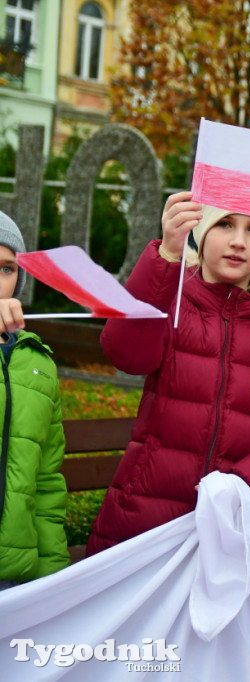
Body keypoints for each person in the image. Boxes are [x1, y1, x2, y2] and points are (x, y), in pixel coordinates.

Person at [87, 193, 250, 554]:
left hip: (237, 527)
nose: (238, 241)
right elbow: (126, 353)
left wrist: (243, 486)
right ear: (201, 229)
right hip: (144, 522)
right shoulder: (170, 299)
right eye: (225, 223)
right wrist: (165, 255)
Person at [0, 210, 68, 589]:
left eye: (7, 269)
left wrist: (51, 581)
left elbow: (45, 482)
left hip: (14, 576)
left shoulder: (36, 362)